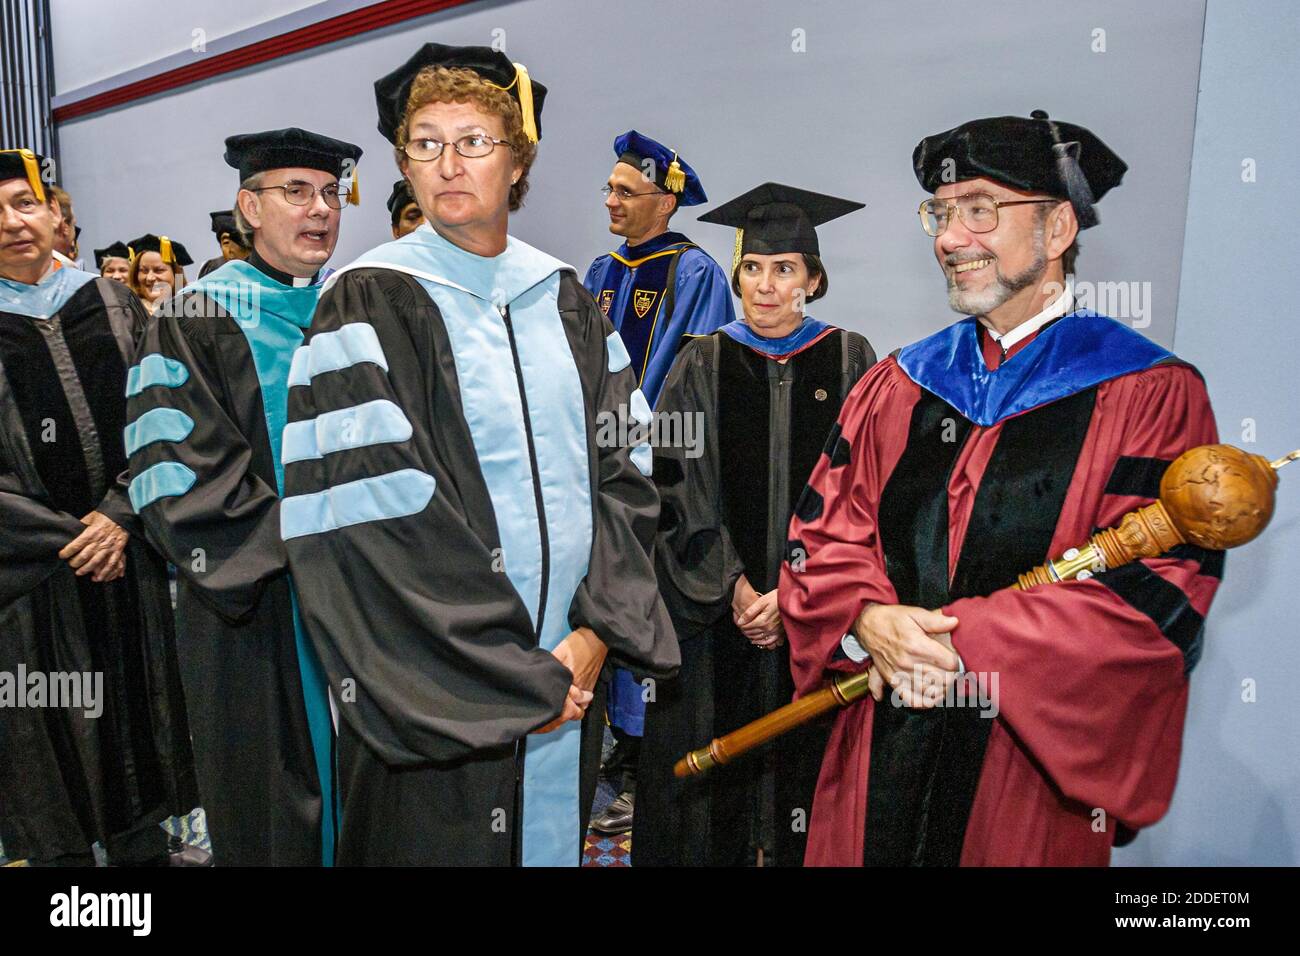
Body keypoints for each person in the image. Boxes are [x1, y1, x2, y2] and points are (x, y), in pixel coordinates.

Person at [780, 111, 1224, 866]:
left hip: (1022, 771)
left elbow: (1158, 596)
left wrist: (964, 644)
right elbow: (825, 529)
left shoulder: (1151, 396)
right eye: (942, 213)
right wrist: (866, 616)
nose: (950, 239)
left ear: (1056, 230)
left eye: (981, 209)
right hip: (879, 740)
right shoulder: (901, 382)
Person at [280, 42, 678, 866]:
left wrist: (594, 632)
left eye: (474, 141)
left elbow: (630, 469)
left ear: (518, 162)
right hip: (438, 689)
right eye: (425, 143)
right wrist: (514, 673)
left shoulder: (566, 295)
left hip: (574, 662)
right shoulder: (367, 297)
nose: (448, 162)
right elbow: (373, 520)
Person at [124, 127, 362, 867]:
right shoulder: (196, 315)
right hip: (254, 606)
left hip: (367, 598)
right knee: (272, 801)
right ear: (247, 209)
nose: (319, 210)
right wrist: (303, 546)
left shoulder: (361, 305)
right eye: (295, 192)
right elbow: (172, 467)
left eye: (329, 194)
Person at [638, 183, 874, 866]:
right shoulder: (700, 362)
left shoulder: (854, 360)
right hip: (718, 621)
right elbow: (674, 485)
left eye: (784, 269)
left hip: (814, 614)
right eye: (751, 268)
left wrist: (798, 593)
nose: (764, 287)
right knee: (712, 792)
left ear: (814, 279)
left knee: (805, 782)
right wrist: (736, 587)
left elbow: (863, 491)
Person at [0, 147, 200, 866]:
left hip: (129, 558)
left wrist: (120, 514)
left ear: (56, 214)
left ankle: (144, 856)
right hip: (30, 581)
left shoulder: (113, 303)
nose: (13, 222)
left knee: (135, 729)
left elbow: (167, 412)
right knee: (43, 744)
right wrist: (68, 538)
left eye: (25, 203)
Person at [583, 130, 734, 833]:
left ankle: (643, 764)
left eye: (625, 191)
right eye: (610, 188)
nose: (610, 200)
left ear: (664, 200)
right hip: (591, 472)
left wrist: (635, 446)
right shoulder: (597, 269)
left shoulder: (695, 273)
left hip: (652, 476)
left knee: (643, 608)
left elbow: (692, 383)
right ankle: (608, 756)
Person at [126, 233, 191, 312]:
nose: (150, 278)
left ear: (176, 273)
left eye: (159, 270)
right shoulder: (126, 314)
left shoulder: (194, 311)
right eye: (144, 271)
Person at [197, 209, 249, 278]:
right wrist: (178, 272)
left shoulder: (262, 268)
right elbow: (179, 287)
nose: (231, 250)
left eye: (237, 241)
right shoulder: (211, 269)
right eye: (226, 243)